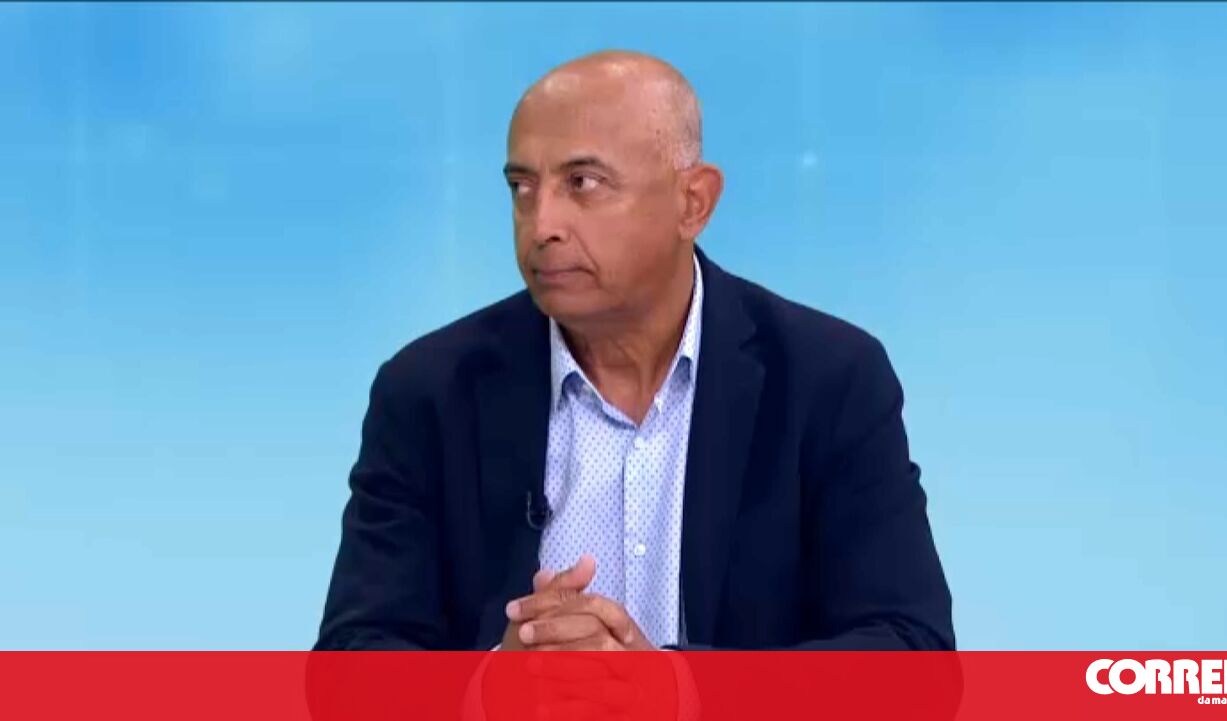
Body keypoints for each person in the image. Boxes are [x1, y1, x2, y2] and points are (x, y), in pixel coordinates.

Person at [315, 50, 953, 653]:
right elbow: (350, 668)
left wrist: (672, 687)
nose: (542, 226)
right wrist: (489, 686)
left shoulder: (827, 379)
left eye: (583, 183)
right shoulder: (429, 392)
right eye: (522, 188)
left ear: (693, 202)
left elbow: (910, 655)